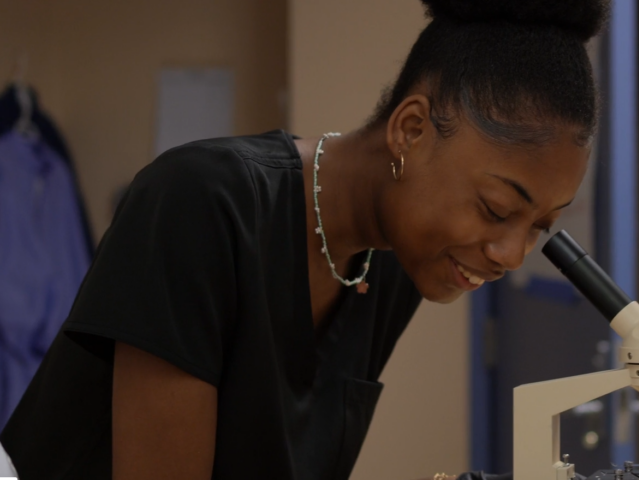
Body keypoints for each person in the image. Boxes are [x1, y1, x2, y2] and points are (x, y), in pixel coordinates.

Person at [0, 0, 608, 478]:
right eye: (495, 207)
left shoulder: (391, 266)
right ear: (411, 129)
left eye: (541, 227)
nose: (510, 253)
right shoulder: (202, 202)